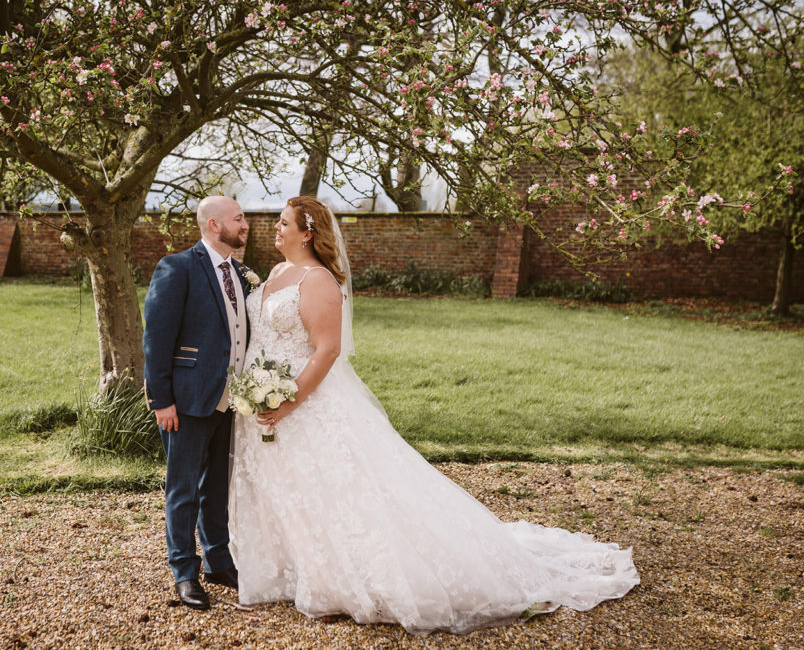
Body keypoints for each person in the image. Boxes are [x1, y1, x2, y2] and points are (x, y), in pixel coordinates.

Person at [228, 196, 639, 635]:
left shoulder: (318, 280)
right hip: (265, 406)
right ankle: (293, 569)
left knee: (336, 489)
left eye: (283, 222)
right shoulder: (273, 273)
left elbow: (327, 351)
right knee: (291, 490)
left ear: (307, 233)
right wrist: (257, 396)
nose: (274, 228)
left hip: (304, 405)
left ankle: (345, 579)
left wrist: (287, 401)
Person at [142, 196, 250, 610]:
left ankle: (218, 562)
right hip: (185, 400)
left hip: (229, 400)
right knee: (183, 488)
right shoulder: (179, 266)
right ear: (212, 224)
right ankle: (184, 572)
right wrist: (161, 399)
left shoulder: (240, 272)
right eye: (237, 218)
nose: (245, 224)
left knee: (216, 487)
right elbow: (157, 337)